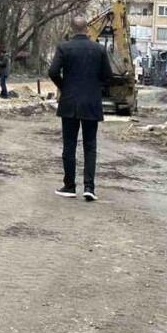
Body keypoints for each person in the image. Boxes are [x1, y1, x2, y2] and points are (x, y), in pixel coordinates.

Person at [48, 15, 110, 202]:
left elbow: (52, 71)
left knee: (69, 145)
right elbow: (107, 76)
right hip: (91, 103)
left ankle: (69, 186)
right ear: (87, 29)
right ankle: (89, 187)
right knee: (90, 146)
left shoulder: (64, 47)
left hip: (69, 102)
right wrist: (96, 88)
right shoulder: (99, 49)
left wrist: (64, 86)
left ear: (72, 29)